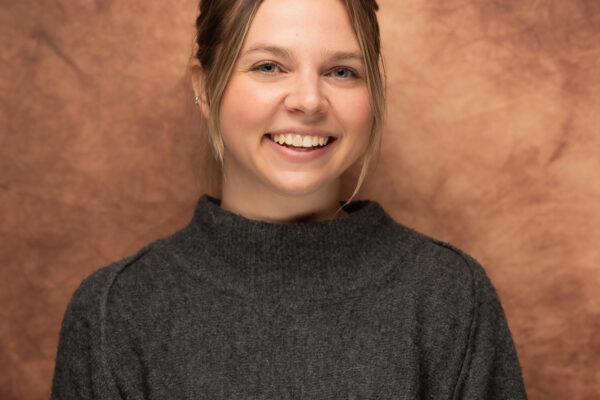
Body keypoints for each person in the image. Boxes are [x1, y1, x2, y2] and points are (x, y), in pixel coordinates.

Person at [50, 0, 527, 398]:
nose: (309, 100)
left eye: (341, 71)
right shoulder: (116, 311)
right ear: (204, 87)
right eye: (269, 66)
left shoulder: (449, 296)